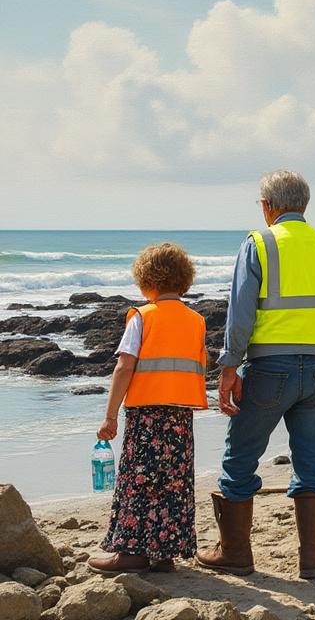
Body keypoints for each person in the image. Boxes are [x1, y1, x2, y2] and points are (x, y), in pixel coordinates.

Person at [198, 170, 315, 580]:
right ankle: (314, 558)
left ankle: (235, 553)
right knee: (313, 463)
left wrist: (229, 366)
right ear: (304, 204)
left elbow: (240, 313)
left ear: (268, 206)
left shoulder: (259, 243)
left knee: (240, 459)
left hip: (269, 368)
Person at [88, 244, 207, 575]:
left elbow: (124, 367)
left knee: (138, 480)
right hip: (180, 416)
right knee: (173, 482)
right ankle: (164, 553)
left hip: (147, 415)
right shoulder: (196, 321)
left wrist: (110, 416)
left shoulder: (143, 317)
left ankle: (132, 553)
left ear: (147, 280)